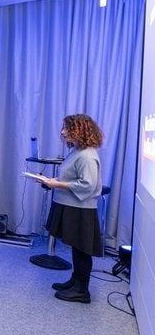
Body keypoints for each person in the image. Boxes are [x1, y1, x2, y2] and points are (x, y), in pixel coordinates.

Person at [33, 114, 104, 304]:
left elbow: (87, 185)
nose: (62, 132)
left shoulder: (87, 156)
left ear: (80, 130)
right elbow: (71, 179)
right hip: (70, 204)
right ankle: (76, 280)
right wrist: (49, 182)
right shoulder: (77, 151)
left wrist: (57, 185)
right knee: (76, 246)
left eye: (66, 128)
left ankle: (82, 290)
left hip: (80, 208)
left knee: (82, 248)